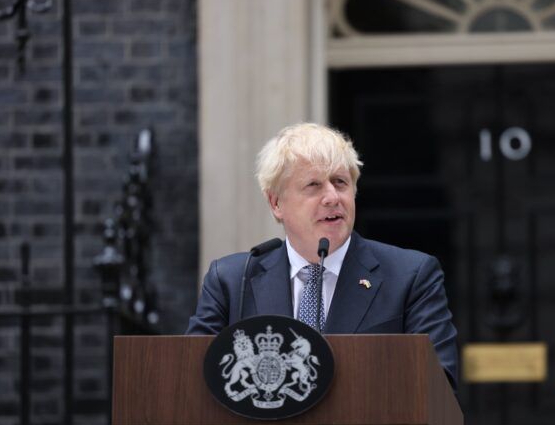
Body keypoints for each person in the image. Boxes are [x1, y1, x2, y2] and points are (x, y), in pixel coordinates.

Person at [186, 123, 458, 388]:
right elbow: (190, 378)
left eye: (340, 182)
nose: (332, 197)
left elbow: (438, 385)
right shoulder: (233, 281)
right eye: (314, 185)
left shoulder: (411, 276)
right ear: (276, 203)